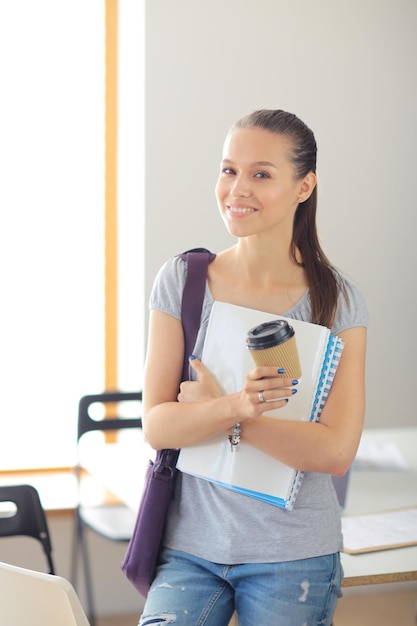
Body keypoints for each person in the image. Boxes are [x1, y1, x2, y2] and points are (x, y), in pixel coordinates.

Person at [139, 109, 368, 626]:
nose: (237, 188)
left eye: (261, 174)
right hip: (189, 547)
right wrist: (237, 403)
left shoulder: (338, 301)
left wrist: (232, 414)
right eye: (228, 170)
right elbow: (157, 426)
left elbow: (334, 452)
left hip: (294, 553)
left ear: (304, 186)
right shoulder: (182, 281)